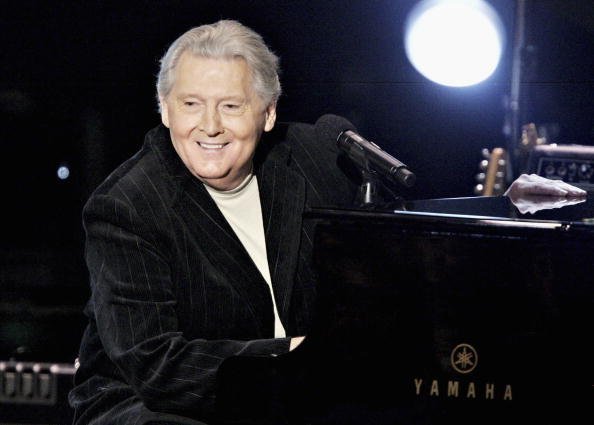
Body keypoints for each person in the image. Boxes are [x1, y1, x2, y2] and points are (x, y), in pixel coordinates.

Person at [68, 19, 586, 425]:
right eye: (190, 105)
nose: (209, 126)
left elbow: (401, 225)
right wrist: (295, 356)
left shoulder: (314, 152)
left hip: (300, 392)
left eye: (230, 105)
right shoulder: (127, 206)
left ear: (267, 113)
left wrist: (506, 206)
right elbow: (158, 365)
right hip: (157, 406)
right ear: (164, 109)